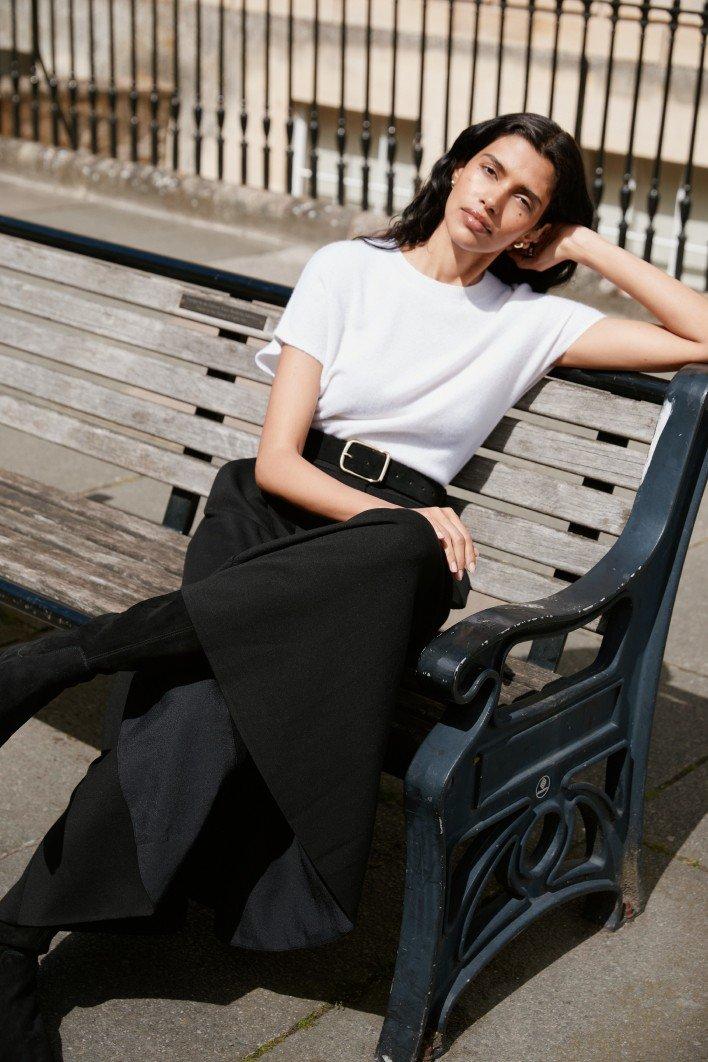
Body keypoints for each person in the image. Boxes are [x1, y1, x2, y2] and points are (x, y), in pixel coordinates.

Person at [1, 111, 706, 1059]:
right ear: (455, 167)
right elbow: (281, 462)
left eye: (524, 198)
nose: (493, 199)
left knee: (415, 551)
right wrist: (389, 518)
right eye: (487, 170)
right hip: (279, 518)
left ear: (535, 228)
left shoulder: (537, 321)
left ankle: (74, 656)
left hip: (388, 560)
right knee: (203, 706)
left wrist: (581, 243)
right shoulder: (347, 269)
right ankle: (14, 942)